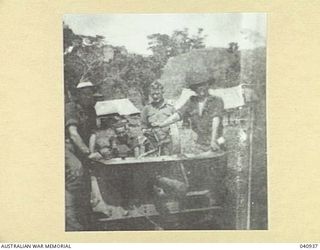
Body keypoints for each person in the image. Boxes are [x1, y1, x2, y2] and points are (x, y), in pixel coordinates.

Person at [153, 72, 225, 153]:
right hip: (200, 143)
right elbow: (178, 115)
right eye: (197, 87)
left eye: (203, 85)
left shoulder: (216, 100)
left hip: (216, 141)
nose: (201, 88)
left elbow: (216, 120)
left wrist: (213, 140)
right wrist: (162, 124)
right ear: (194, 89)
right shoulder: (191, 101)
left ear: (208, 85)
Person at [65, 81, 102, 231]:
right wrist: (88, 153)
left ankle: (86, 218)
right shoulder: (70, 108)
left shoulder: (91, 110)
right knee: (77, 171)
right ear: (78, 95)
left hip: (82, 148)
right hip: (65, 146)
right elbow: (73, 134)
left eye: (91, 92)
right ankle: (71, 222)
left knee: (87, 178)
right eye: (85, 93)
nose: (89, 96)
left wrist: (91, 154)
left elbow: (93, 133)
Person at [141, 80, 176, 155]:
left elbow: (177, 126)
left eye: (157, 94)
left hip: (169, 142)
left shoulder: (170, 107)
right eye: (152, 94)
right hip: (153, 143)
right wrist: (146, 132)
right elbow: (144, 126)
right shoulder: (146, 109)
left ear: (162, 92)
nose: (155, 96)